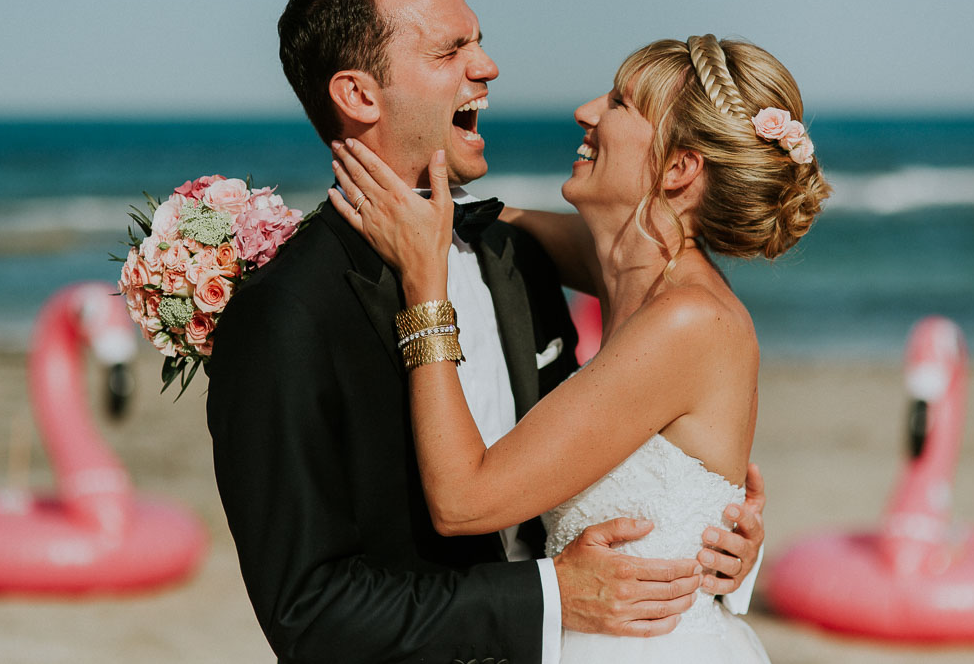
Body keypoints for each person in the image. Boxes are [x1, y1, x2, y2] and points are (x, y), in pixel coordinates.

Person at [207, 0, 765, 664]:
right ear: (359, 95)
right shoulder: (287, 312)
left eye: (478, 41)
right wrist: (550, 597)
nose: (488, 66)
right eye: (450, 51)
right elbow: (308, 612)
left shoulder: (514, 253)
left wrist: (709, 544)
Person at [328, 34, 831, 662]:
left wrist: (424, 287)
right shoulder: (632, 270)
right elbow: (494, 222)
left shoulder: (687, 322)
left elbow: (462, 501)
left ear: (679, 170)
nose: (586, 111)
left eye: (619, 102)